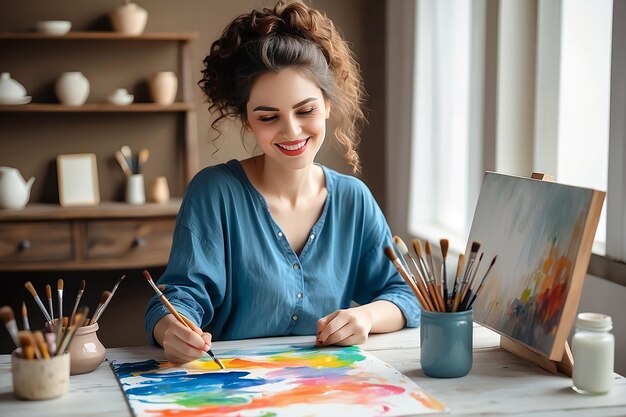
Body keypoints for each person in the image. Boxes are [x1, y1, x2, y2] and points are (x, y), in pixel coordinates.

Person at [144, 0, 420, 364]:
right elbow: (178, 298)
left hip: (324, 392)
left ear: (328, 105)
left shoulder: (354, 199)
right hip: (232, 389)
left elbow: (406, 294)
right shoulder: (214, 193)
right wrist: (172, 329)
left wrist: (366, 316)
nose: (291, 131)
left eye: (305, 110)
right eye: (268, 117)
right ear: (247, 121)